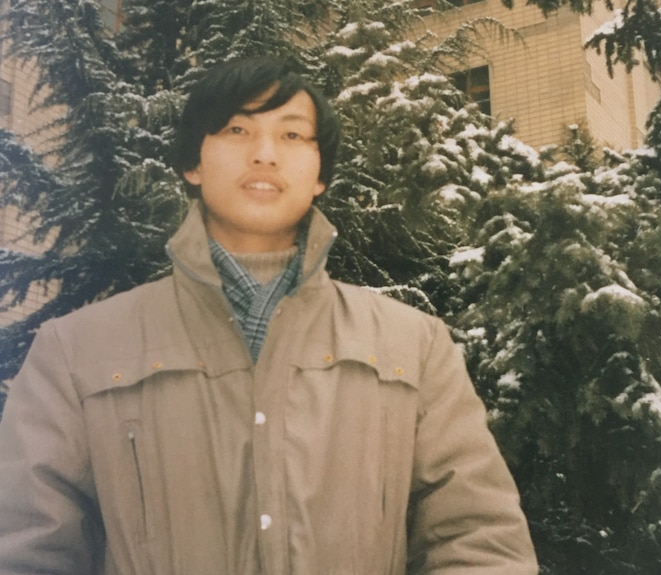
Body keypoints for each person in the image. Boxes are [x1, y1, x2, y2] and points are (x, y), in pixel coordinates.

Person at [0, 55, 537, 574]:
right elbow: (25, 550)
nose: (264, 153)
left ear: (321, 173)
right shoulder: (76, 351)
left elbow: (478, 542)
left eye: (291, 135)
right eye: (236, 130)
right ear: (193, 162)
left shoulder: (414, 346)